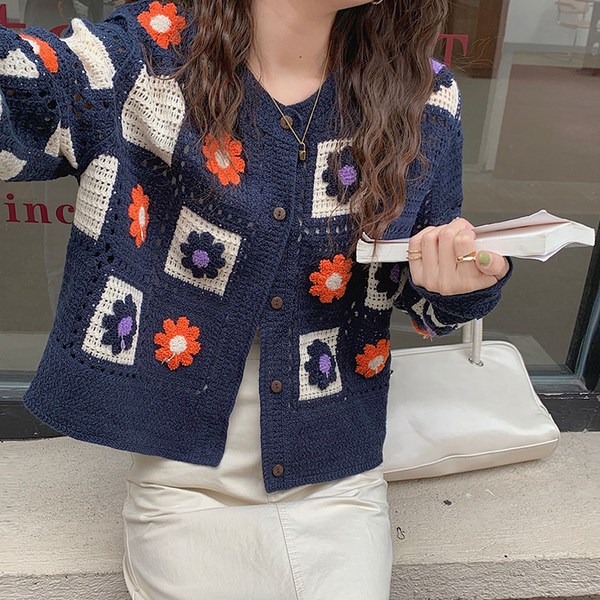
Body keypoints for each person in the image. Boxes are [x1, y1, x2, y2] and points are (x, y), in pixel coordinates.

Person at [0, 0, 512, 598]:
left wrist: (463, 283)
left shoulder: (421, 95)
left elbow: (423, 299)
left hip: (338, 481)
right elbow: (25, 95)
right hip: (185, 482)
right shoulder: (150, 58)